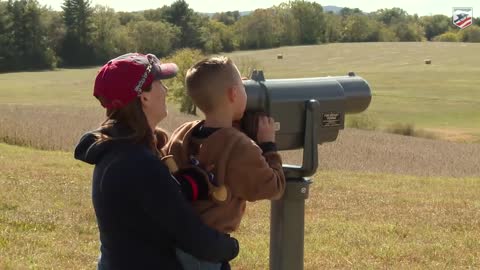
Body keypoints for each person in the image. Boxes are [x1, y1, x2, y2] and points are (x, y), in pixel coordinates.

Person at [74, 53, 239, 270]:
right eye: (159, 82)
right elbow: (195, 239)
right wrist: (231, 247)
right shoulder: (139, 163)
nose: (166, 90)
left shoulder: (117, 152)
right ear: (144, 97)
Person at [163, 56, 286, 270]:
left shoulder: (182, 134)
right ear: (234, 94)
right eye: (242, 86)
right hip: (206, 252)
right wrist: (268, 146)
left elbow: (217, 140)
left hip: (177, 242)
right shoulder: (239, 146)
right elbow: (273, 187)